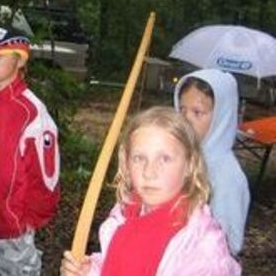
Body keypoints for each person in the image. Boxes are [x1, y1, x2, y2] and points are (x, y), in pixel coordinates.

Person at [61, 107, 241, 275]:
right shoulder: (126, 213)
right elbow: (119, 264)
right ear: (126, 163)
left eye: (164, 158)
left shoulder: (201, 248)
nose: (149, 172)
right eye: (139, 158)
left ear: (190, 165)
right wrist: (89, 270)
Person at [0, 27, 60, 275]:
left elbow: (47, 177)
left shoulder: (31, 112)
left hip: (12, 232)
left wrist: (25, 222)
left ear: (20, 59)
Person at [174, 69, 250, 255]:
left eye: (197, 112)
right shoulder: (180, 159)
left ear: (221, 118)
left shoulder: (227, 177)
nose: (186, 119)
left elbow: (229, 244)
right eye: (182, 109)